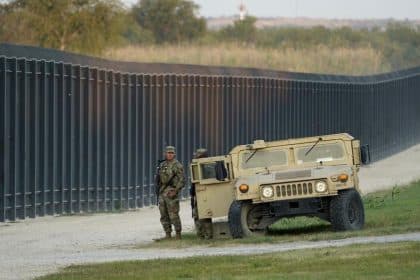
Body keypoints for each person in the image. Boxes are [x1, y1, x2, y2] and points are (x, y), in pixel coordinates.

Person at [157, 146, 185, 239]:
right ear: (165, 153)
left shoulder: (177, 165)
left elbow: (182, 180)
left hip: (171, 192)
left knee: (173, 215)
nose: (170, 154)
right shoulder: (162, 164)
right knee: (163, 215)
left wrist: (176, 191)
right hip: (162, 192)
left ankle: (178, 234)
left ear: (174, 154)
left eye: (171, 153)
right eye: (168, 153)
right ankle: (167, 234)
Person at [190, 148, 213, 239]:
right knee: (198, 215)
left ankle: (206, 235)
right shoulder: (198, 167)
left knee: (204, 216)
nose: (195, 156)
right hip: (198, 194)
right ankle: (202, 235)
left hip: (203, 194)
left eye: (197, 155)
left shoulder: (207, 166)